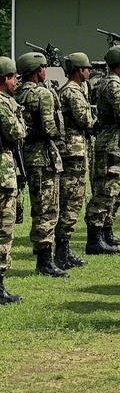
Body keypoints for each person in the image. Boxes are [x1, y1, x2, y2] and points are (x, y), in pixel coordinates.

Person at [15, 50, 66, 278]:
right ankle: (45, 261)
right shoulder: (42, 94)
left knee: (38, 206)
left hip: (26, 155)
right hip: (44, 157)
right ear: (38, 71)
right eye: (44, 67)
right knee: (47, 209)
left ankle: (43, 255)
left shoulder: (16, 93)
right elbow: (51, 128)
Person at [84, 44, 120, 254]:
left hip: (118, 141)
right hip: (110, 142)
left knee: (118, 188)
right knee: (106, 189)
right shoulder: (112, 84)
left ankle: (106, 230)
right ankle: (95, 238)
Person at [57, 52, 94, 269]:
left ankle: (64, 249)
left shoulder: (76, 90)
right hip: (73, 152)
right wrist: (93, 120)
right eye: (87, 68)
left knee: (72, 199)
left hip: (74, 150)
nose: (89, 71)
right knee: (71, 199)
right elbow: (85, 119)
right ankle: (62, 253)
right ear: (80, 70)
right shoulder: (73, 92)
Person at [0, 56, 27, 305]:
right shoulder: (3, 104)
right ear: (4, 79)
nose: (16, 81)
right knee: (3, 229)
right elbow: (17, 132)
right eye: (13, 77)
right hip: (3, 173)